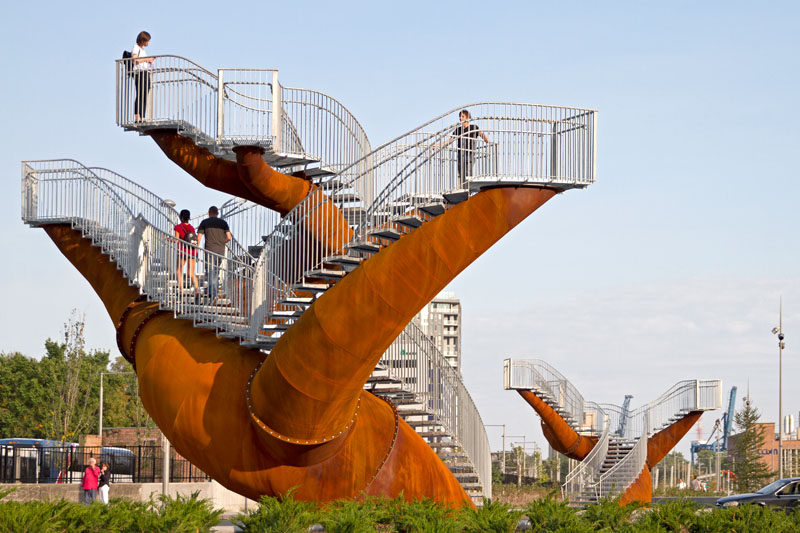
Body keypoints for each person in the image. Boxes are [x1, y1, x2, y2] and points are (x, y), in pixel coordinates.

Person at [443, 109, 490, 188]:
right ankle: (462, 189)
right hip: (460, 154)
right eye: (460, 117)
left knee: (468, 172)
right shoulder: (458, 130)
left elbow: (481, 134)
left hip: (470, 153)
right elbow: (449, 141)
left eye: (462, 116)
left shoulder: (473, 127)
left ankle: (467, 189)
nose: (460, 118)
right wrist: (438, 145)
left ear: (467, 117)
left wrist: (485, 139)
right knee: (461, 174)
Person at [197, 206, 231, 302]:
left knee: (211, 271)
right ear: (217, 213)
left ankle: (213, 293)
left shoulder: (205, 222)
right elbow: (229, 237)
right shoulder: (223, 223)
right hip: (220, 250)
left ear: (209, 212)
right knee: (215, 271)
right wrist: (222, 242)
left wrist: (195, 248)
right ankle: (214, 292)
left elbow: (199, 238)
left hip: (209, 249)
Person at [174, 209, 200, 303]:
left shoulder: (178, 227)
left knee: (178, 271)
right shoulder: (192, 228)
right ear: (188, 218)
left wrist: (167, 239)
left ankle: (181, 291)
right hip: (192, 252)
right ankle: (197, 292)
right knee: (190, 273)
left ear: (181, 217)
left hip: (183, 251)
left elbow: (176, 240)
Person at [131, 31, 154, 121]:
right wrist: (147, 59)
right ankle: (137, 116)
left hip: (145, 72)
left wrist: (148, 61)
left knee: (144, 95)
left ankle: (142, 116)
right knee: (140, 94)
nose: (148, 42)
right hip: (139, 73)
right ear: (143, 40)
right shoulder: (136, 48)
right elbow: (134, 59)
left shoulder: (143, 50)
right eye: (147, 40)